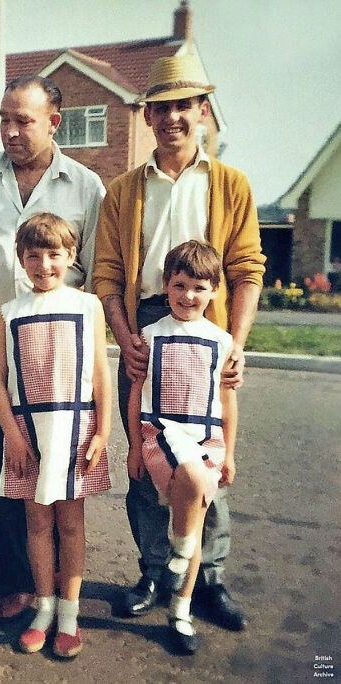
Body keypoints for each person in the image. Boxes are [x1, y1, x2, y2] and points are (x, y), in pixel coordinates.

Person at [92, 54, 265, 631]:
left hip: (208, 325)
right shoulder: (123, 189)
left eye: (183, 106)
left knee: (207, 460)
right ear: (147, 115)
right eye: (161, 107)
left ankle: (207, 576)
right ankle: (151, 571)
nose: (171, 117)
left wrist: (235, 343)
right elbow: (109, 274)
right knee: (147, 458)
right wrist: (125, 337)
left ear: (203, 112)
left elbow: (246, 269)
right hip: (146, 325)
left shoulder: (231, 184)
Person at [0, 75, 106, 621]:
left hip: (60, 336)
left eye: (22, 121)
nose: (9, 131)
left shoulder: (85, 187)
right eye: (4, 120)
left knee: (63, 462)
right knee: (9, 457)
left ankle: (60, 585)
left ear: (54, 122)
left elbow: (102, 269)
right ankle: (15, 580)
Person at [0, 213, 111, 657]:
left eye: (53, 254)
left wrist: (103, 430)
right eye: (33, 255)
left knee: (71, 524)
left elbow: (100, 372)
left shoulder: (88, 305)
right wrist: (13, 438)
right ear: (20, 259)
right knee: (36, 524)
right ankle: (43, 608)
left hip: (74, 428)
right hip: (26, 431)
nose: (43, 265)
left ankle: (69, 614)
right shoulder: (9, 312)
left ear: (71, 255)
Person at [128, 240, 238, 654]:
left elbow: (227, 401)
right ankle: (180, 555)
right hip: (161, 435)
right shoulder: (150, 336)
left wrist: (232, 451)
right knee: (190, 487)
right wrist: (136, 447)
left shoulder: (221, 341)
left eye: (198, 287)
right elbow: (136, 391)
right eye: (179, 285)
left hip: (208, 438)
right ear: (166, 285)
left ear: (213, 291)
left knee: (191, 515)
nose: (188, 296)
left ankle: (181, 611)